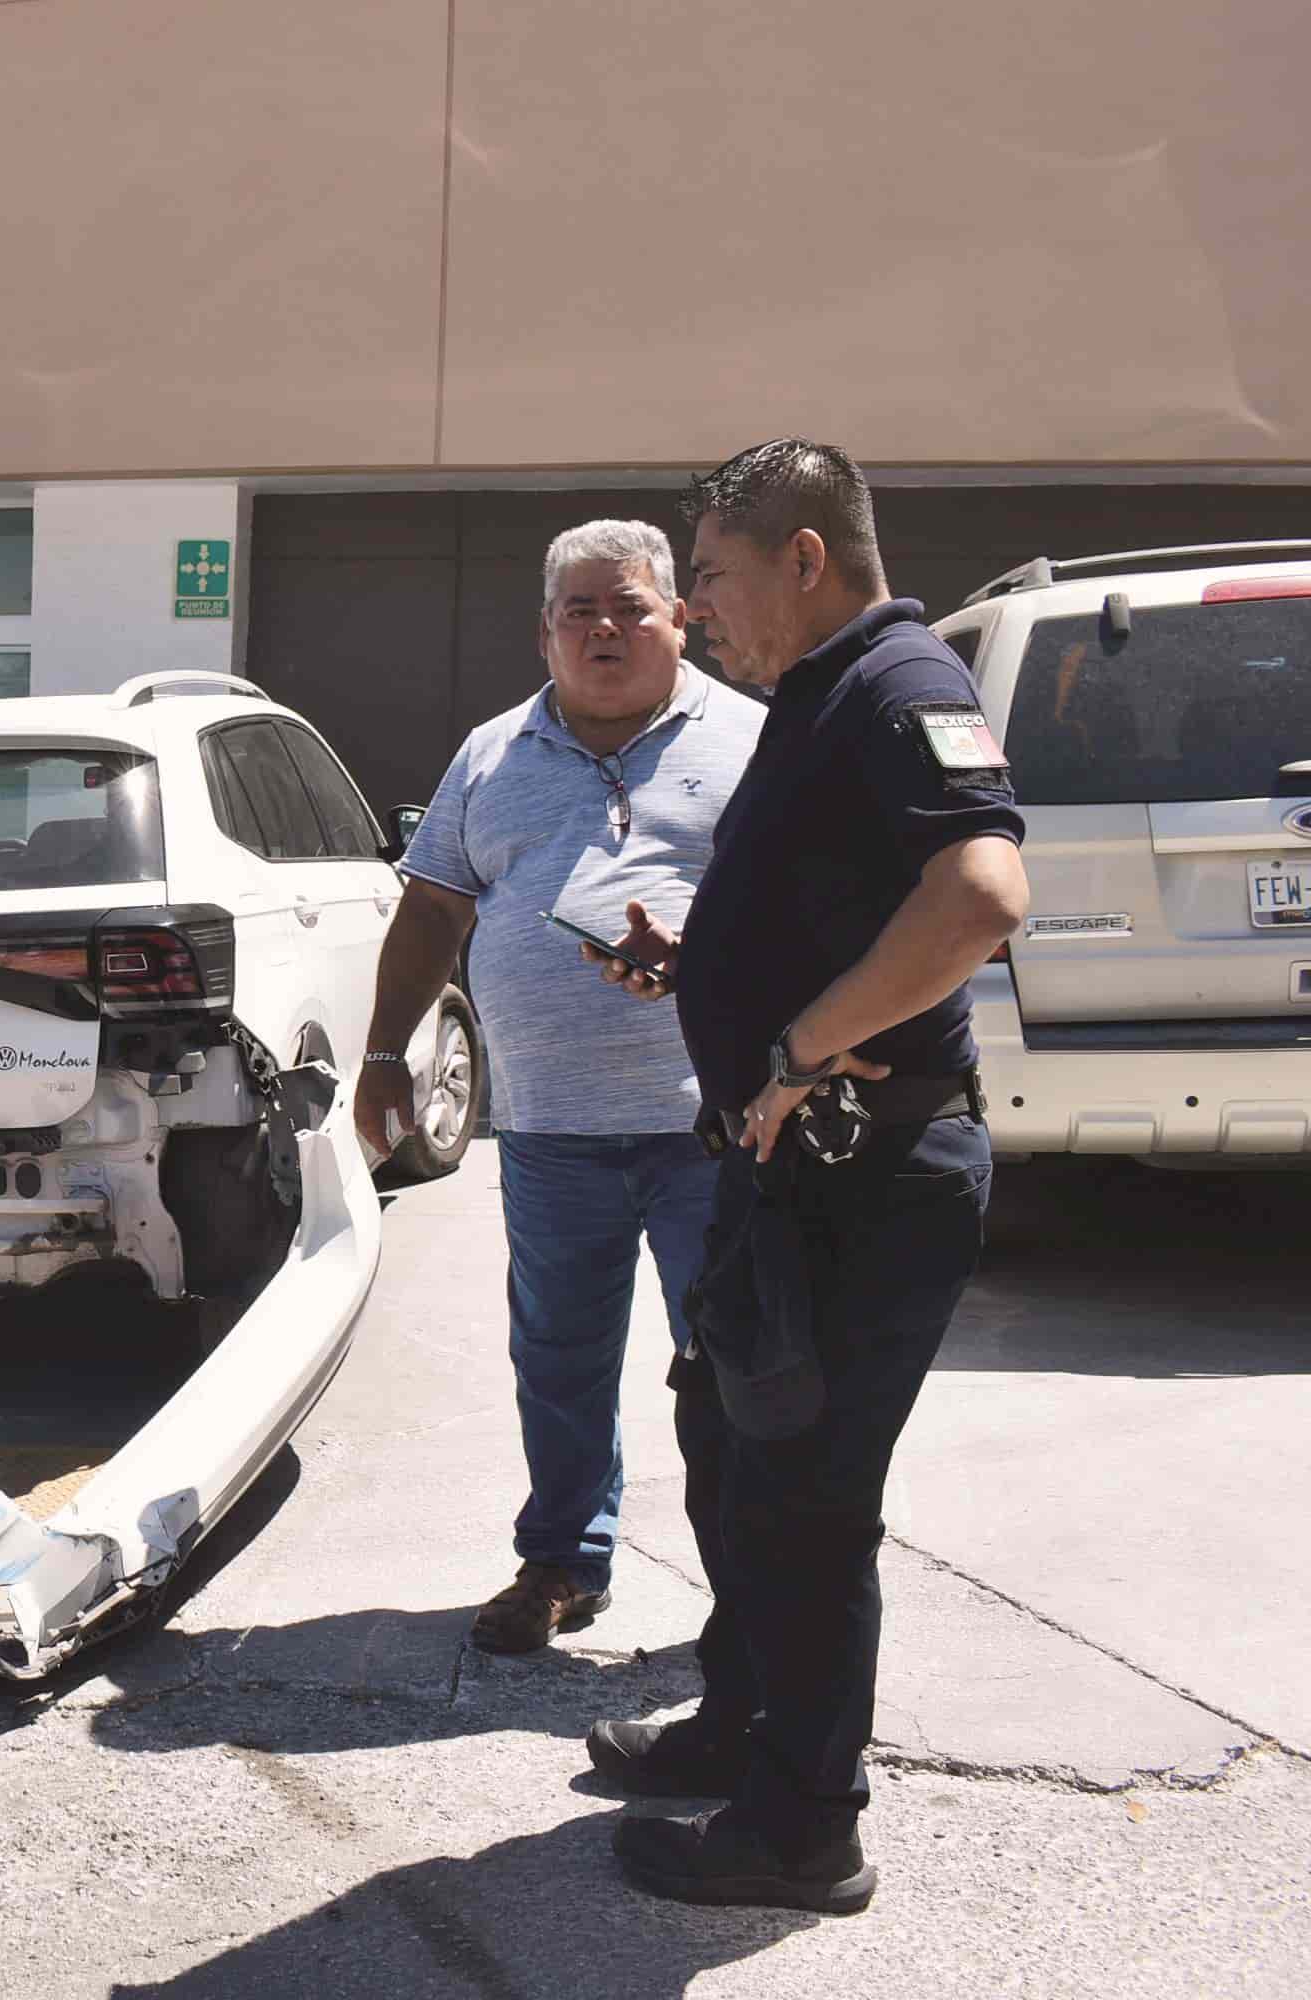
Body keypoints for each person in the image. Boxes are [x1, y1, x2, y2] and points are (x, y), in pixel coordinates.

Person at [587, 440, 1030, 1916]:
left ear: (803, 560)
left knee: (809, 1497)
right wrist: (699, 968)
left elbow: (980, 895)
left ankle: (803, 1827)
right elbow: (834, 898)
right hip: (790, 1179)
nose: (696, 609)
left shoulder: (904, 689)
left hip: (869, 1172)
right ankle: (740, 1725)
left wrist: (794, 1050)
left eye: (707, 576)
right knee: (727, 1441)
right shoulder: (819, 696)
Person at [356, 519, 763, 1655]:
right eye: (578, 609)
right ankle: (562, 1561)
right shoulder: (489, 753)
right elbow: (433, 905)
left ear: (678, 617)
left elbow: (808, 907)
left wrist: (708, 953)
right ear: (543, 631)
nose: (604, 628)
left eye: (629, 605)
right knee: (559, 1357)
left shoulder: (752, 741)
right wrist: (386, 1053)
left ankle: (757, 1584)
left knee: (733, 1363)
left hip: (715, 1124)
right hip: (546, 1128)